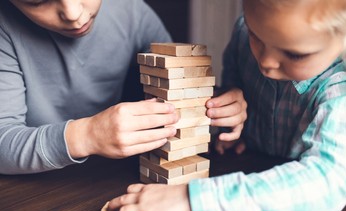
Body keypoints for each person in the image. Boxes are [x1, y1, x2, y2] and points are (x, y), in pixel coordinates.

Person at [108, 0, 346, 211]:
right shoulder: (245, 32)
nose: (265, 61)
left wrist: (191, 201)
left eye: (294, 54)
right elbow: (235, 86)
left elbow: (327, 181)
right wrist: (233, 117)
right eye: (256, 35)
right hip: (252, 164)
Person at [0, 0, 247, 174]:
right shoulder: (5, 29)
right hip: (33, 191)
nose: (73, 13)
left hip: (108, 177)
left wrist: (216, 110)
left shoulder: (132, 10)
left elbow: (179, 93)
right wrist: (87, 135)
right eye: (36, 1)